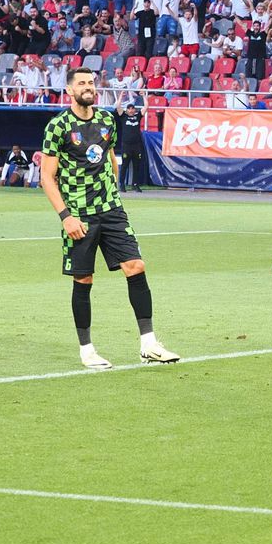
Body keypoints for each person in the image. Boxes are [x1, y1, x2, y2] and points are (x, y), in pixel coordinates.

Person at [40, 67, 179, 370]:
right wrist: (65, 216)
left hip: (111, 210)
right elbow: (46, 178)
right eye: (82, 83)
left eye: (91, 82)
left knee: (136, 266)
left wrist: (115, 194)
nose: (88, 87)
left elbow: (110, 159)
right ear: (70, 90)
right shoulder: (58, 127)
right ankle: (87, 349)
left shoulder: (106, 120)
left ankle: (149, 344)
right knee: (84, 278)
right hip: (79, 214)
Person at [115, 99, 146, 192]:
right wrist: (121, 96)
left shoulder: (138, 116)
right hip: (126, 145)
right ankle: (121, 184)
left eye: (133, 109)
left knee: (136, 165)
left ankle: (135, 184)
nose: (131, 110)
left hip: (136, 145)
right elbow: (118, 106)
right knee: (124, 165)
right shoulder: (123, 116)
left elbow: (146, 107)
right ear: (127, 110)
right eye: (129, 109)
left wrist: (144, 96)